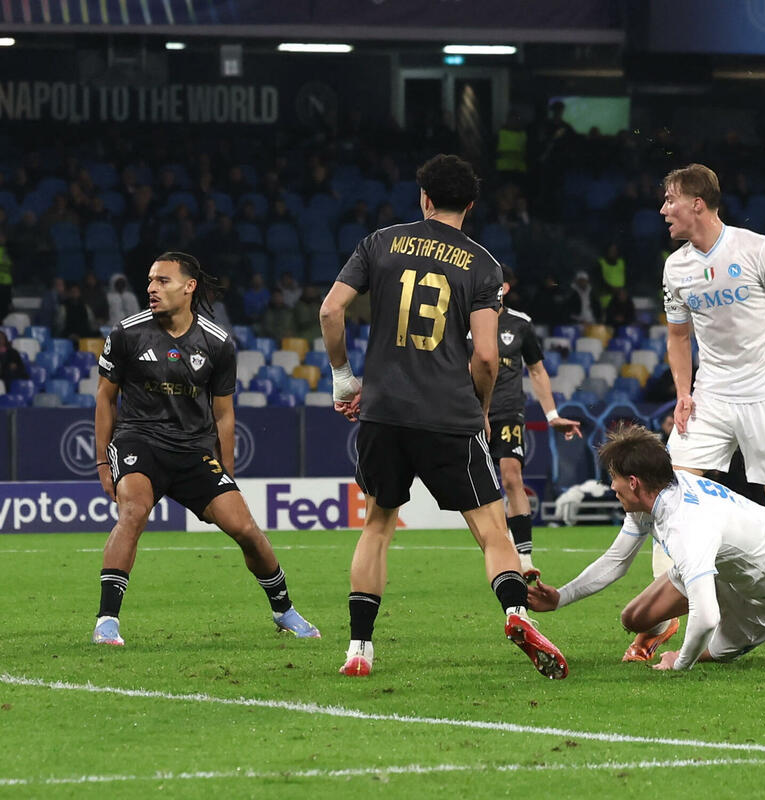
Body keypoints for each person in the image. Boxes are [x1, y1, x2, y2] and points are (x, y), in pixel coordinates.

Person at [318, 153, 568, 679]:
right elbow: (486, 356)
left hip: (384, 413)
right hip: (449, 414)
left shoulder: (379, 243)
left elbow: (330, 310)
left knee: (377, 526)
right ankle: (517, 614)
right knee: (492, 530)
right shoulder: (483, 264)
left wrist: (343, 378)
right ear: (470, 205)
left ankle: (359, 649)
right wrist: (481, 409)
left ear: (424, 197)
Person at [92, 251, 319, 647]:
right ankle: (106, 621)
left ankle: (284, 610)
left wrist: (226, 471)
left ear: (189, 287)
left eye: (162, 281)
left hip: (193, 449)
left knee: (245, 529)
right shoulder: (126, 333)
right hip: (139, 441)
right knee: (133, 511)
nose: (151, 288)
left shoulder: (217, 342)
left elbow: (224, 415)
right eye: (150, 280)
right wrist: (101, 461)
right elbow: (104, 398)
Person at [659, 163, 765, 641]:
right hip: (711, 395)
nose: (664, 209)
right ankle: (665, 618)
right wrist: (683, 393)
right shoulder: (676, 267)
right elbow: (678, 335)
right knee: (669, 493)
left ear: (697, 204)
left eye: (671, 200)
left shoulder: (760, 250)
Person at [528, 425, 765, 671]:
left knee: (707, 646)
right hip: (738, 562)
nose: (612, 486)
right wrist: (560, 598)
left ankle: (761, 628)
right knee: (633, 618)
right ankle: (685, 613)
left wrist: (680, 662)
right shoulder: (655, 496)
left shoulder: (686, 527)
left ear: (633, 482)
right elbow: (616, 560)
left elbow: (707, 617)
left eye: (614, 477)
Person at [489, 266, 583, 581]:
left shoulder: (520, 323)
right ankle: (498, 550)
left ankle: (524, 558)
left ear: (504, 287)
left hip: (507, 411)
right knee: (482, 488)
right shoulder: (463, 322)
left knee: (511, 476)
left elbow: (537, 370)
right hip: (470, 414)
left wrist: (552, 415)